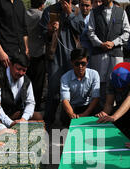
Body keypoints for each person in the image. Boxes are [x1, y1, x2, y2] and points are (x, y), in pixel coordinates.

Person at [40, 0, 85, 128]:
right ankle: (48, 121)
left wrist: (69, 13)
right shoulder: (49, 10)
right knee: (53, 90)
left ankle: (70, 120)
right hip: (55, 56)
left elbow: (81, 29)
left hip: (72, 57)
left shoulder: (76, 11)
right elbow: (42, 34)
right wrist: (49, 30)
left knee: (73, 89)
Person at [87, 0, 130, 106]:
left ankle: (116, 112)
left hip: (116, 55)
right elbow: (90, 31)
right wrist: (100, 44)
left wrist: (114, 43)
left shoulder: (121, 12)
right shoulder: (94, 12)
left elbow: (127, 32)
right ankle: (100, 110)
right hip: (99, 54)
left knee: (117, 81)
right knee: (99, 84)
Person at [60, 48, 101, 127]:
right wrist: (72, 114)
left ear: (87, 62)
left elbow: (96, 97)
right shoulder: (65, 77)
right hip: (72, 107)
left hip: (88, 106)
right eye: (77, 64)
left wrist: (85, 114)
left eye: (83, 63)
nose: (80, 66)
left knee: (97, 112)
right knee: (65, 119)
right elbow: (65, 100)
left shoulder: (94, 74)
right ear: (72, 63)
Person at [1, 53, 43, 124]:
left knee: (39, 117)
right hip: (1, 115)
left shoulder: (27, 81)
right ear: (10, 64)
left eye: (24, 70)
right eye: (18, 69)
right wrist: (8, 121)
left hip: (16, 113)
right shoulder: (0, 77)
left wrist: (24, 118)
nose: (21, 73)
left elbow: (30, 102)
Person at [0, 0, 29, 68]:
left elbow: (24, 28)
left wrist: (26, 48)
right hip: (6, 53)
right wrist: (0, 51)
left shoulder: (19, 3)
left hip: (21, 53)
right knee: (5, 77)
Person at [26, 0, 47, 110]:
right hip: (39, 54)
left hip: (26, 54)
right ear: (42, 4)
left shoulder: (24, 14)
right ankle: (36, 108)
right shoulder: (42, 15)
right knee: (38, 85)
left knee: (25, 84)